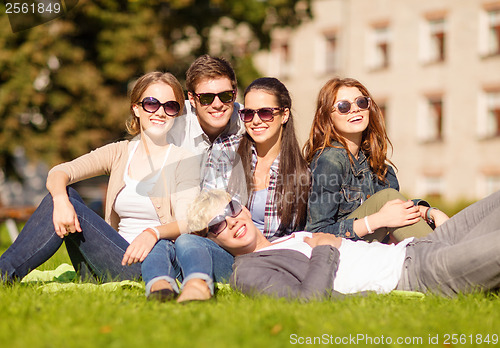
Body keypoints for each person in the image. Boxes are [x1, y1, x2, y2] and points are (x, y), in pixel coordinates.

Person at [0, 72, 200, 289]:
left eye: (170, 106)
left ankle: (4, 272)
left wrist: (153, 233)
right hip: (107, 259)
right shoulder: (120, 153)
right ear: (136, 108)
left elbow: (189, 222)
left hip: (148, 267)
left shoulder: (183, 159)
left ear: (177, 113)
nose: (160, 112)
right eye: (151, 103)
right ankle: (4, 271)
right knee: (65, 196)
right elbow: (59, 172)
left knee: (71, 205)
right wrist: (60, 200)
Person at [188, 189, 500, 300]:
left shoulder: (288, 236)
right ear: (213, 237)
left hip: (421, 246)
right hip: (417, 274)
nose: (231, 222)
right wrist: (325, 248)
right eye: (217, 225)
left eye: (231, 209)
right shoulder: (247, 272)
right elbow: (306, 303)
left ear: (243, 207)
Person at [172, 77, 310, 302]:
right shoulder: (226, 151)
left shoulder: (302, 172)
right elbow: (207, 212)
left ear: (284, 115)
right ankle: (197, 287)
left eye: (265, 113)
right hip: (231, 257)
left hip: (275, 265)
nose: (255, 121)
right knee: (186, 242)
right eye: (248, 113)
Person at [303, 77, 436, 243]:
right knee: (387, 198)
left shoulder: (379, 166)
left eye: (361, 102)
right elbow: (316, 232)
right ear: (327, 117)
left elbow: (397, 212)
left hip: (373, 251)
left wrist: (429, 212)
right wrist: (378, 220)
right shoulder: (329, 161)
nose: (355, 110)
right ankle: (442, 257)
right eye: (343, 107)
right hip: (339, 253)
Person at [167, 54, 245, 164]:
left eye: (225, 95)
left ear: (235, 94)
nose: (217, 104)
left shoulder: (249, 121)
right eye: (207, 98)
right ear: (192, 99)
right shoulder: (173, 121)